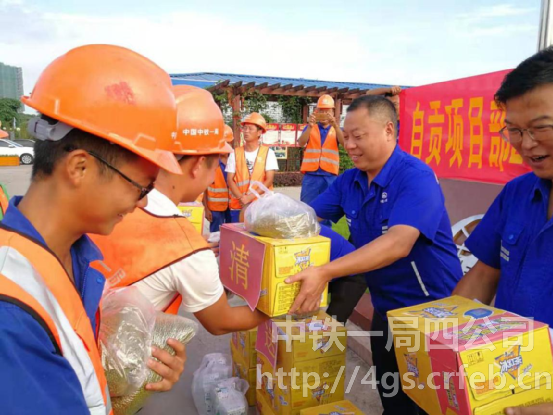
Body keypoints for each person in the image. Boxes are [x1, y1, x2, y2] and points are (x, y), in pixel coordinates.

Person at [0, 45, 186, 414]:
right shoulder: (10, 313)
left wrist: (126, 372)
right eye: (141, 187)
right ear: (79, 167)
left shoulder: (72, 258)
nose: (143, 203)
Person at [286, 95, 462, 414]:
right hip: (386, 311)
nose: (350, 145)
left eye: (358, 136)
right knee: (392, 399)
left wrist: (325, 272)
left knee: (431, 405)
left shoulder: (415, 177)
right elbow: (304, 218)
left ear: (388, 130)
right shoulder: (349, 181)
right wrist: (258, 220)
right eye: (346, 136)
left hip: (431, 315)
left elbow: (398, 244)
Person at [90, 86, 269, 336]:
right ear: (198, 165)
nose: (213, 177)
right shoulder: (187, 249)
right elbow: (221, 321)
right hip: (118, 353)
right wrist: (279, 304)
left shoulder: (108, 202)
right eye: (215, 164)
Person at [453, 47, 553, 415]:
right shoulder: (517, 193)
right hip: (505, 381)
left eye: (541, 127)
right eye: (514, 130)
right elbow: (483, 275)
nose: (526, 144)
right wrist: (444, 342)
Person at [297, 94, 344, 226]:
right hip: (311, 176)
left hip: (329, 176)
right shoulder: (311, 127)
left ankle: (326, 234)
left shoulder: (336, 129)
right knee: (306, 208)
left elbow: (345, 144)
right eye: (321, 111)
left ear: (333, 112)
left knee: (326, 211)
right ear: (316, 111)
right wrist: (310, 126)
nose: (324, 114)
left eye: (327, 111)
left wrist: (336, 126)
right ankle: (306, 232)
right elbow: (301, 143)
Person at [226, 112, 279, 222]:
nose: (246, 131)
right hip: (238, 205)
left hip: (261, 205)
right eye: (245, 128)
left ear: (259, 132)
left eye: (250, 129)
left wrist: (249, 197)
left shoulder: (268, 153)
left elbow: (269, 180)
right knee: (237, 232)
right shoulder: (235, 153)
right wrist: (242, 198)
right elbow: (230, 180)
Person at [204, 124, 234, 232]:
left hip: (233, 207)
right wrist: (206, 208)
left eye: (227, 143)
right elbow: (204, 188)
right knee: (215, 236)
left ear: (231, 143)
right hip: (215, 208)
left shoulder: (235, 160)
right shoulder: (210, 162)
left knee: (232, 235)